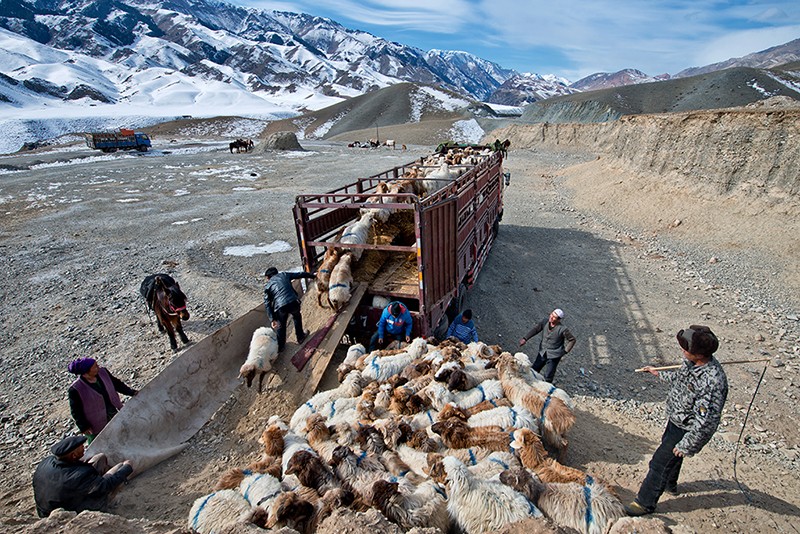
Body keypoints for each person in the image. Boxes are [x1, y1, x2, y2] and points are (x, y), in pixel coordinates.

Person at [625, 325, 728, 516]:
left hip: (686, 428)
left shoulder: (713, 381)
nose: (682, 351)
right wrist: (657, 373)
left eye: (685, 349)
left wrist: (688, 444)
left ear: (698, 354)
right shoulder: (691, 364)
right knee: (673, 456)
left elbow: (706, 422)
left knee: (658, 463)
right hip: (676, 420)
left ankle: (644, 503)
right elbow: (679, 379)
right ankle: (669, 485)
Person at [32, 434, 133, 517]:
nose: (84, 448)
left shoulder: (47, 462)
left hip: (46, 507)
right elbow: (105, 485)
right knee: (120, 468)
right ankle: (109, 504)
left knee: (100, 457)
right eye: (80, 447)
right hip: (65, 512)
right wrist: (127, 467)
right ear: (74, 455)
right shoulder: (79, 476)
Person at [68, 358, 138, 444]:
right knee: (101, 443)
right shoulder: (76, 389)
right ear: (86, 372)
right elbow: (76, 411)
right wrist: (84, 426)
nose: (98, 367)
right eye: (95, 367)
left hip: (112, 412)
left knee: (121, 435)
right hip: (95, 423)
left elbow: (117, 384)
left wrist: (131, 392)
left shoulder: (103, 373)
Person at [263, 266, 316, 352]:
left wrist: (272, 319)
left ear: (268, 277)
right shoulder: (284, 275)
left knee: (281, 325)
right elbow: (300, 274)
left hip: (280, 307)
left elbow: (267, 303)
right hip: (293, 301)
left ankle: (280, 347)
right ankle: (300, 337)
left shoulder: (268, 286)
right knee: (296, 317)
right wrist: (313, 276)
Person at [518, 308, 576, 384]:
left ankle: (546, 391)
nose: (551, 317)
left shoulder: (563, 329)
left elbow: (572, 340)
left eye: (554, 317)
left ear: (558, 320)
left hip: (554, 356)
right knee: (534, 370)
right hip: (542, 352)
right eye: (551, 314)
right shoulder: (545, 322)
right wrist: (525, 338)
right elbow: (535, 330)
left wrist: (565, 351)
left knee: (548, 376)